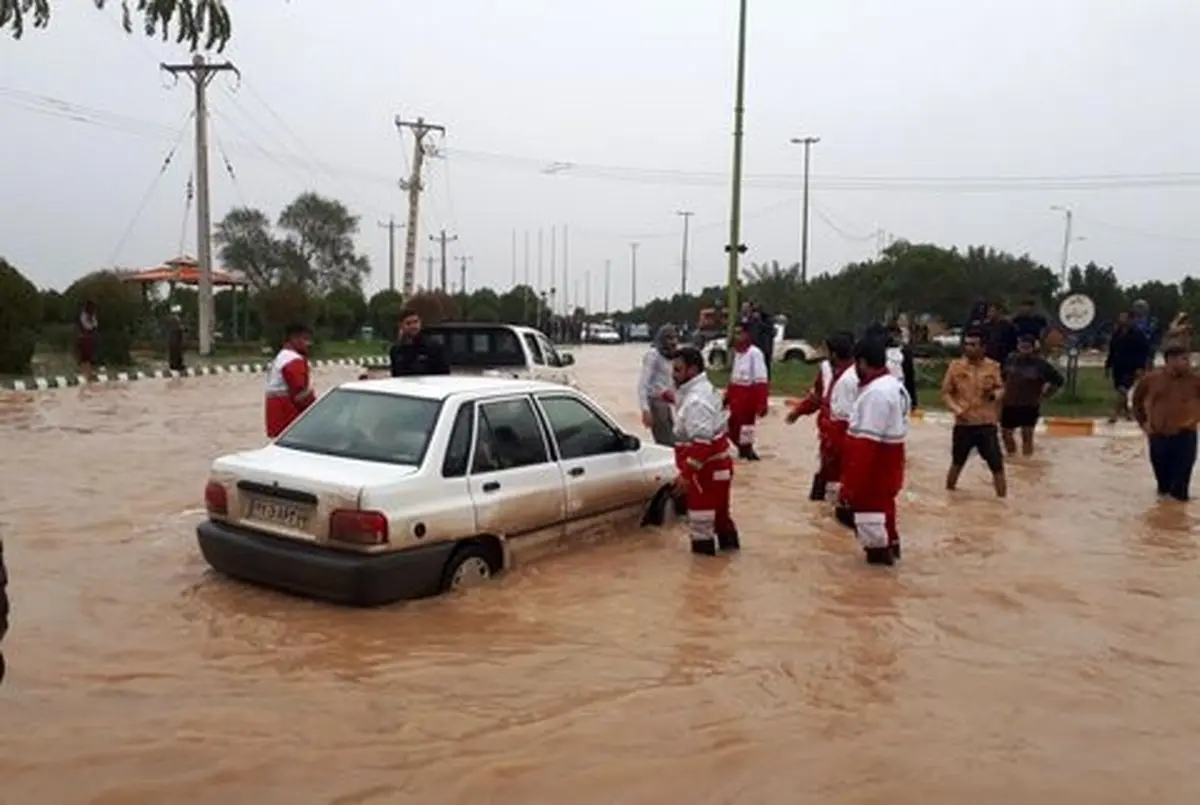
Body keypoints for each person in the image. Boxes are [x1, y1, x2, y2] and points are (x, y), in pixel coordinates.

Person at [836, 338, 910, 566]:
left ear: (862, 362)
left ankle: (877, 589)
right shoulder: (893, 385)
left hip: (873, 475)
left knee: (874, 538)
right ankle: (890, 559)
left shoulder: (876, 394)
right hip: (886, 470)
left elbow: (865, 446)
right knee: (886, 524)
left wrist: (848, 490)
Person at [671, 346, 739, 556]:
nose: (673, 374)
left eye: (677, 369)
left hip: (705, 473)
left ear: (692, 370)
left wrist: (686, 475)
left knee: (701, 527)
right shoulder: (703, 389)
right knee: (720, 518)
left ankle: (705, 578)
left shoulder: (696, 401)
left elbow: (702, 443)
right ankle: (730, 561)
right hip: (718, 469)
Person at [786, 331, 856, 501]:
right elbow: (817, 397)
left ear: (834, 353)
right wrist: (799, 412)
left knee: (836, 479)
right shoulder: (826, 369)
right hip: (827, 435)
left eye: (826, 350)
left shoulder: (854, 377)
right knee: (825, 477)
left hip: (843, 436)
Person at [941, 327, 1007, 497]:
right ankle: (949, 495)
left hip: (986, 424)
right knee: (957, 462)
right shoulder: (956, 367)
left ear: (983, 347)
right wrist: (956, 409)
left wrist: (993, 395)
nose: (969, 348)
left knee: (997, 465)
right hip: (964, 423)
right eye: (967, 344)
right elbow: (946, 392)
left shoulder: (993, 367)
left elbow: (1001, 389)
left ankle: (1002, 499)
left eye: (974, 345)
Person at [1131, 344, 1200, 502]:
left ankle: (1178, 520)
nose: (1189, 363)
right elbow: (1136, 401)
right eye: (1184, 359)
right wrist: (1143, 423)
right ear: (1170, 360)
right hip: (1158, 435)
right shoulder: (1151, 380)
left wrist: (1195, 417)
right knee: (1163, 483)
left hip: (1185, 435)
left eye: (1188, 359)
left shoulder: (1195, 381)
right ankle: (1164, 517)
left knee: (1180, 485)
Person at [1000, 333, 1064, 455]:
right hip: (1009, 403)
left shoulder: (1041, 365)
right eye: (1022, 347)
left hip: (1029, 405)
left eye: (1027, 347)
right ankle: (1012, 458)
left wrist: (1047, 394)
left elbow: (1058, 381)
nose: (1024, 350)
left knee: (1027, 436)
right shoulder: (1010, 360)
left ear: (1033, 348)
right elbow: (1001, 378)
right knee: (1006, 434)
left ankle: (1027, 461)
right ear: (1018, 347)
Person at [724, 320, 770, 461]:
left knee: (745, 430)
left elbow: (761, 380)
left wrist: (762, 403)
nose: (737, 336)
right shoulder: (737, 354)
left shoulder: (755, 353)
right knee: (730, 428)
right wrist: (726, 397)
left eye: (740, 333)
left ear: (748, 334)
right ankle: (744, 451)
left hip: (748, 400)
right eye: (735, 333)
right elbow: (734, 379)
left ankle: (747, 453)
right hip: (736, 399)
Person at [265, 323, 316, 438]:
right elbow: (301, 395)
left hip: (276, 416)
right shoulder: (293, 360)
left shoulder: (281, 357)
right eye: (305, 339)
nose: (309, 344)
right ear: (294, 338)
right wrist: (315, 411)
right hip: (289, 416)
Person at [1105, 309, 1150, 423]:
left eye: (1124, 317)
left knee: (1123, 389)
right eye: (1121, 317)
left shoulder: (1137, 334)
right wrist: (1108, 365)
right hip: (1118, 366)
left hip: (1131, 367)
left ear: (1131, 319)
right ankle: (1128, 413)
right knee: (1120, 389)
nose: (1122, 319)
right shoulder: (1117, 334)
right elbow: (1112, 350)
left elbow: (1144, 351)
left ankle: (1114, 414)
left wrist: (1141, 366)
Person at [638, 325, 680, 446]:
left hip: (669, 402)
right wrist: (645, 410)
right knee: (666, 442)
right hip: (656, 403)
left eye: (675, 338)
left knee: (675, 440)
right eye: (669, 338)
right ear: (662, 339)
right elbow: (643, 385)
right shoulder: (653, 355)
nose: (673, 341)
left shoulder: (673, 357)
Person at [390, 308, 450, 376]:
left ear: (420, 322)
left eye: (416, 322)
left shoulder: (434, 347)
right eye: (408, 323)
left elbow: (444, 375)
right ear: (400, 325)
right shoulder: (396, 350)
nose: (413, 326)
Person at [982, 302, 1018, 366]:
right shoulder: (985, 326)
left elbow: (1013, 342)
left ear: (999, 311)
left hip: (1004, 356)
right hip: (989, 355)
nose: (989, 314)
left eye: (992, 311)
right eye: (989, 311)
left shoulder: (1008, 326)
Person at [1131, 299, 1161, 368]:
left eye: (1141, 307)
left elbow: (1156, 334)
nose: (1139, 310)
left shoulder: (1152, 321)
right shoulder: (1131, 321)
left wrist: (1154, 346)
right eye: (1137, 307)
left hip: (1148, 350)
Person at [77, 299, 98, 377]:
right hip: (84, 337)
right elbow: (86, 326)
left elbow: (95, 325)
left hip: (90, 337)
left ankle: (89, 372)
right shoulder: (83, 315)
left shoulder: (92, 316)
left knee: (89, 356)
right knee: (84, 356)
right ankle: (84, 372)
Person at [166, 305, 186, 373]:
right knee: (175, 351)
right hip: (174, 337)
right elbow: (176, 327)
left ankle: (178, 365)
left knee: (178, 351)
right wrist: (181, 328)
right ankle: (174, 365)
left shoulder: (177, 318)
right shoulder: (173, 318)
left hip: (177, 337)